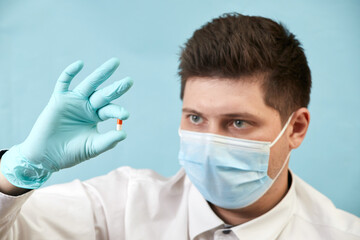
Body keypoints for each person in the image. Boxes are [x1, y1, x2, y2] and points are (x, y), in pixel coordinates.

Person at [0, 13, 359, 240]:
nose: (209, 142)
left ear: (296, 128)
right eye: (196, 118)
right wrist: (21, 169)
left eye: (238, 122)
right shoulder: (118, 207)